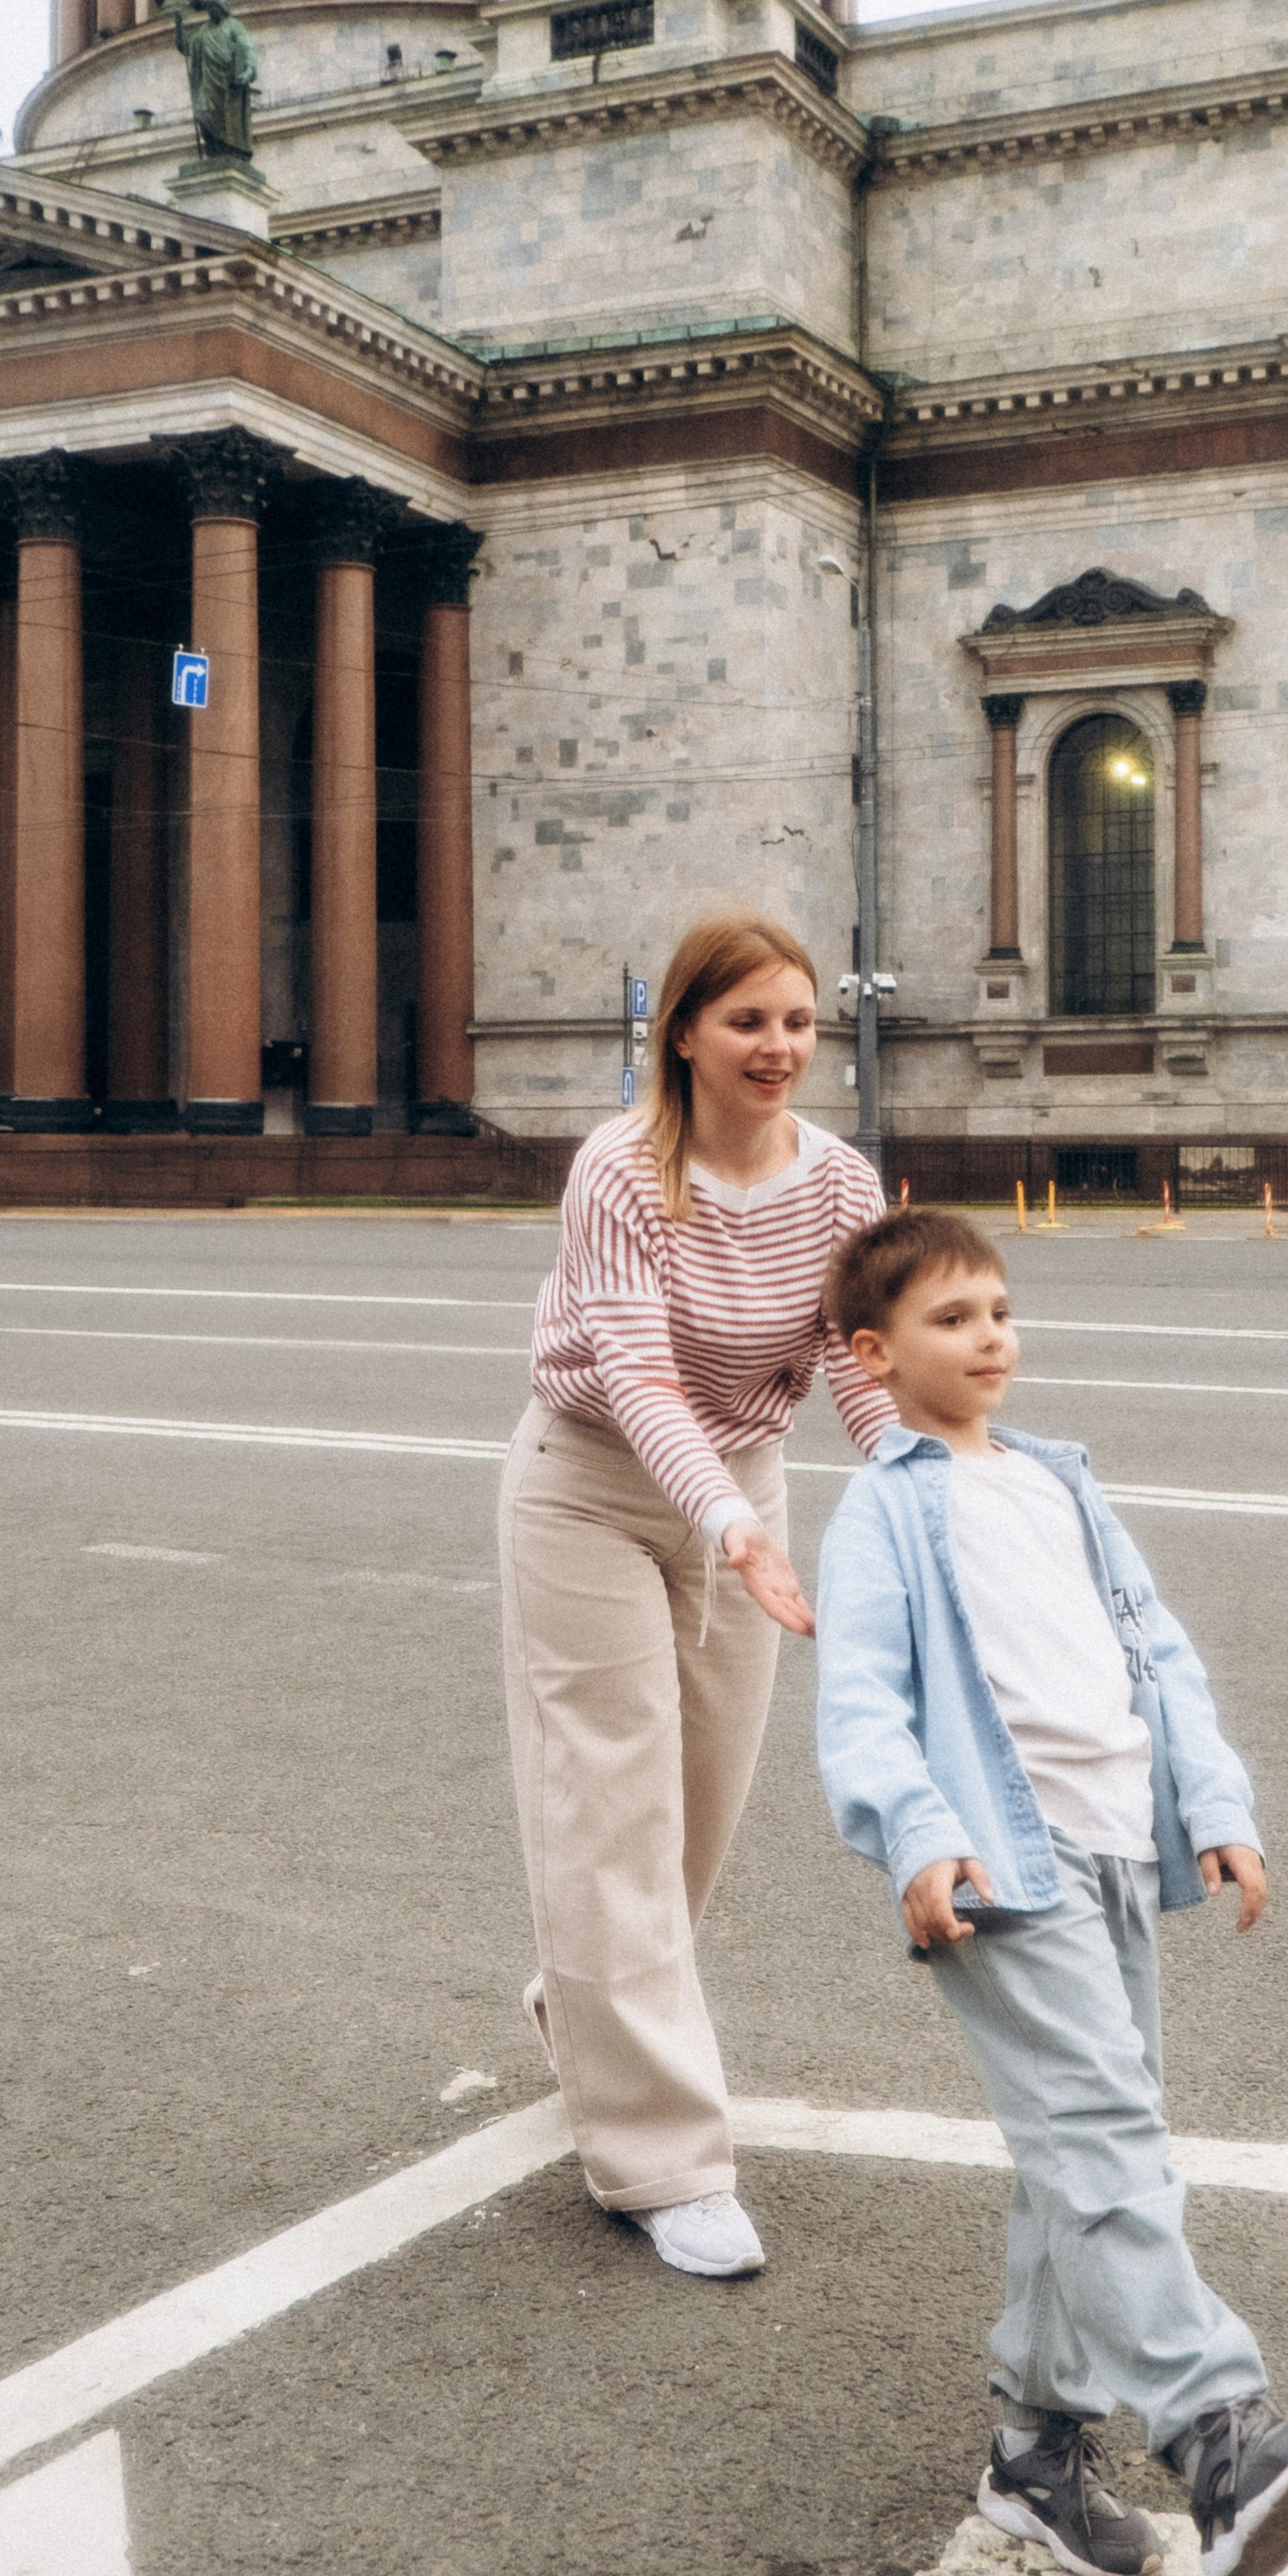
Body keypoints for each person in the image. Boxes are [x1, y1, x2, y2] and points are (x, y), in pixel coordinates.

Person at [813, 1207, 1288, 2576]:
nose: (990, 1334)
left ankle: (1034, 2453)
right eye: (952, 1317)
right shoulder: (884, 1506)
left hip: (1114, 1848)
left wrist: (1217, 1805)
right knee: (1107, 2136)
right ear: (872, 1355)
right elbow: (863, 1700)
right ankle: (1216, 2434)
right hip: (1000, 1860)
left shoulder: (1061, 1480)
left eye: (999, 1308)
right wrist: (919, 1836)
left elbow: (1158, 1654)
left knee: (1090, 2145)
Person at [500, 912, 888, 2278]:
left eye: (796, 1021)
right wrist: (724, 1519)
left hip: (744, 1492)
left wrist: (917, 1485)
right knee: (614, 1800)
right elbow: (638, 1373)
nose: (778, 1046)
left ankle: (589, 2001)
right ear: (682, 1033)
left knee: (697, 1814)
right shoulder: (620, 1170)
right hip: (594, 1488)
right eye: (748, 1021)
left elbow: (860, 1357)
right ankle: (664, 2162)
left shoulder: (845, 1184)